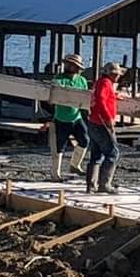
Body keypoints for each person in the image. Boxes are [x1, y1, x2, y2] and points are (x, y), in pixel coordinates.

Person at [49, 52, 90, 178]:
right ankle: (55, 173)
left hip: (76, 117)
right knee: (59, 147)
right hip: (61, 118)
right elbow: (54, 93)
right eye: (69, 64)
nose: (71, 66)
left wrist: (87, 114)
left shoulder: (82, 80)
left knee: (85, 140)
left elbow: (85, 98)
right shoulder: (59, 79)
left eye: (73, 65)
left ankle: (75, 165)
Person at [83, 60, 122, 193]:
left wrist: (115, 96)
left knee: (96, 154)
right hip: (101, 123)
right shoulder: (106, 83)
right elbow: (100, 99)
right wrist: (108, 118)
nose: (118, 77)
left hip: (93, 121)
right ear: (111, 74)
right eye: (116, 74)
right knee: (113, 153)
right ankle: (104, 184)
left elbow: (102, 96)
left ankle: (91, 185)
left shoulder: (100, 82)